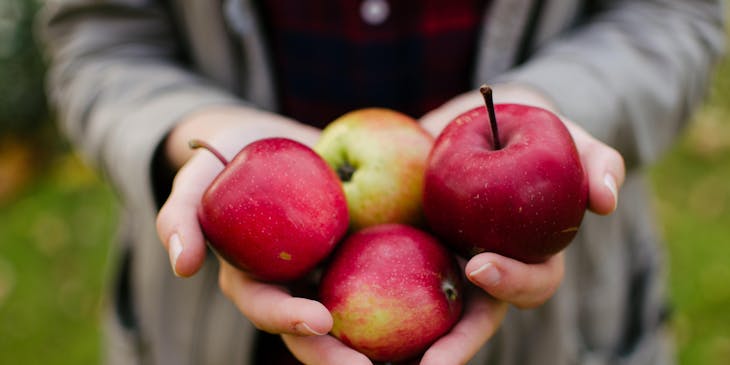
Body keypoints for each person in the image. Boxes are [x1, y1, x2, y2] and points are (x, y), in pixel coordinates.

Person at [39, 0, 725, 364]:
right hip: (209, 335)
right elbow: (99, 36)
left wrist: (549, 100)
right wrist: (188, 127)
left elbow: (673, 14)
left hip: (559, 332)